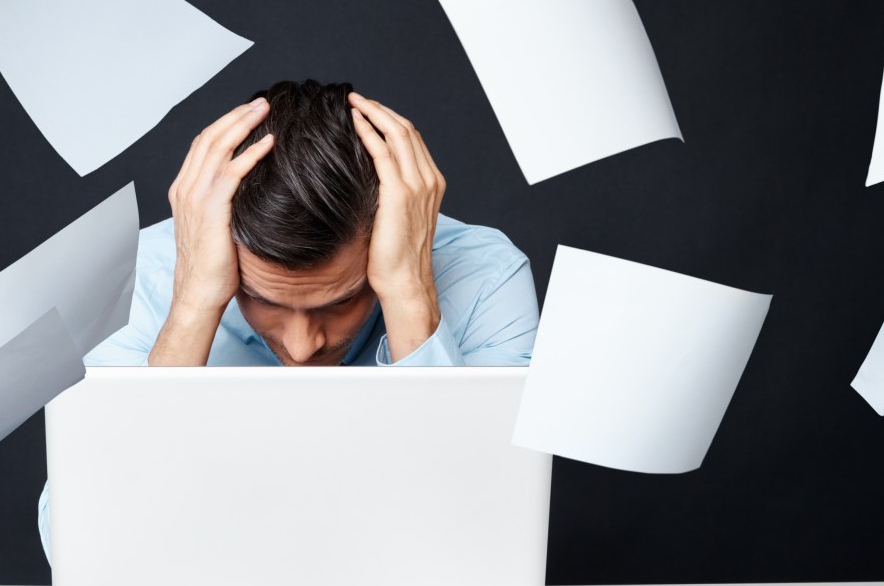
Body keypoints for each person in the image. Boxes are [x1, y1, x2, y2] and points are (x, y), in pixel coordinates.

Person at [38, 80, 539, 555]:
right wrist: (192, 306)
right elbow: (81, 547)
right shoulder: (135, 275)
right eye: (265, 300)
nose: (302, 349)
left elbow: (493, 529)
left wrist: (409, 290)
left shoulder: (484, 276)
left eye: (341, 302)